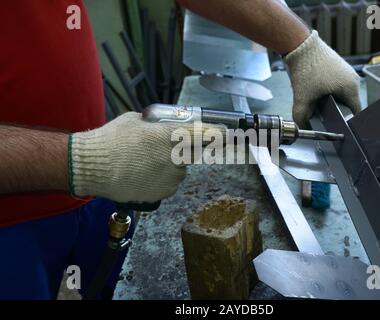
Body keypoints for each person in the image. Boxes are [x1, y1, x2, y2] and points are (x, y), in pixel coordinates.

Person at [0, 0, 359, 299]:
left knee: (124, 286)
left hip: (99, 180)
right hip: (12, 223)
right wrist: (82, 159)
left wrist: (301, 45)